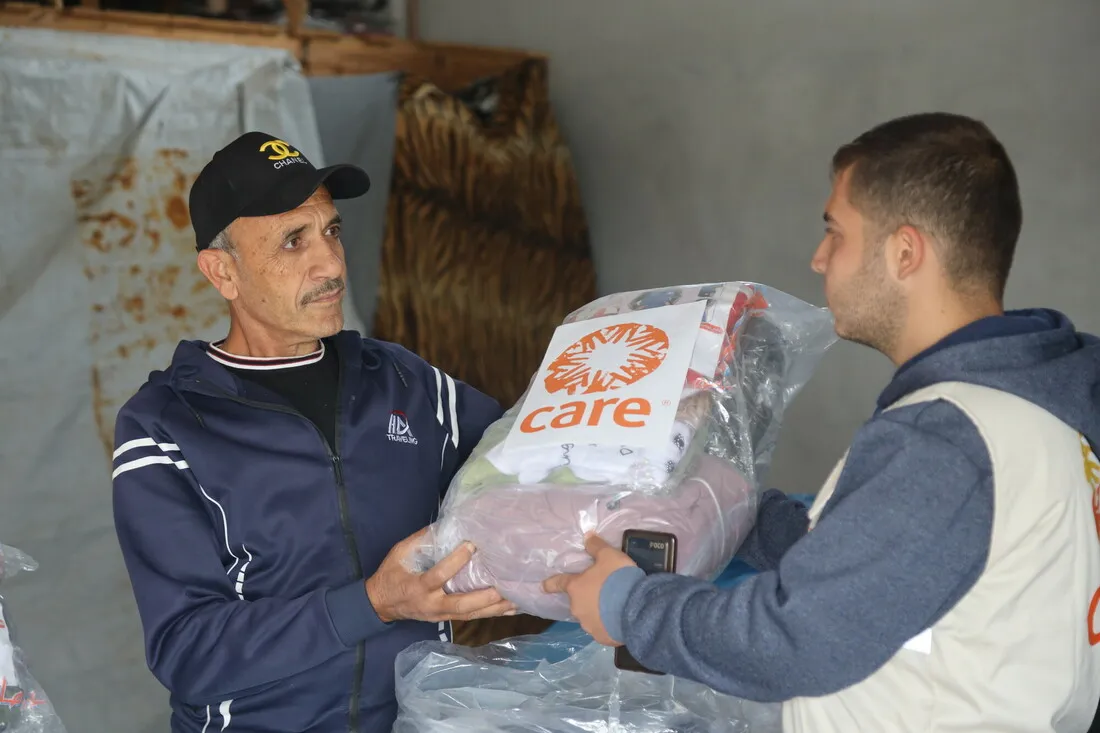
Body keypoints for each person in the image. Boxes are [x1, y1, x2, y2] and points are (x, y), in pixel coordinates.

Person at [545, 112, 1100, 731]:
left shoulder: (949, 438)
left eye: (835, 231)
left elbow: (794, 638)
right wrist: (721, 504)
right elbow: (884, 570)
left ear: (904, 252)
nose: (817, 258)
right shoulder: (1036, 407)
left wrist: (628, 605)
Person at [111, 131, 517, 733]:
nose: (329, 263)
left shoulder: (401, 380)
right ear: (223, 272)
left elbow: (529, 460)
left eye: (331, 230)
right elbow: (188, 651)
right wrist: (373, 603)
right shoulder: (166, 425)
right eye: (292, 240)